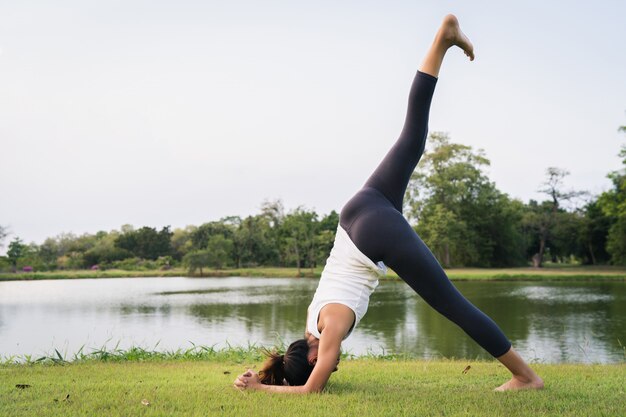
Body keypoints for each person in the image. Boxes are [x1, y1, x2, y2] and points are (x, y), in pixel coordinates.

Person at [234, 14, 544, 394]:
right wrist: (267, 374)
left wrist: (262, 389)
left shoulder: (329, 330)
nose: (334, 368)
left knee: (452, 304)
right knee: (412, 137)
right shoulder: (310, 322)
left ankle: (526, 377)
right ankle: (441, 41)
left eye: (328, 369)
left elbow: (309, 391)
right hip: (358, 209)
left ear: (315, 359)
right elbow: (294, 365)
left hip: (371, 236)